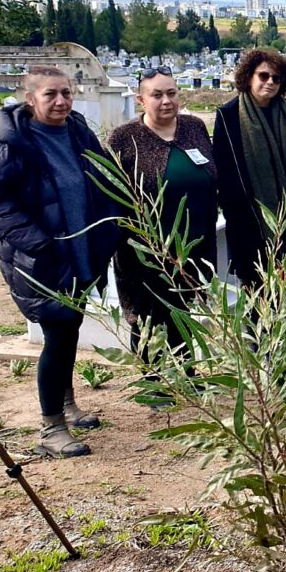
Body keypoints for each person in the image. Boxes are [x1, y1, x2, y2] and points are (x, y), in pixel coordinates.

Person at [0, 67, 118, 458]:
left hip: (80, 251)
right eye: (50, 95)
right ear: (31, 99)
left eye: (66, 94)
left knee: (70, 328)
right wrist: (37, 242)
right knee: (57, 336)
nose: (60, 102)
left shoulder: (76, 130)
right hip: (42, 260)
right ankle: (50, 428)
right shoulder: (14, 143)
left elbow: (100, 176)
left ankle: (68, 403)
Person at [108, 66, 217, 377]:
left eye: (172, 93)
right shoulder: (124, 138)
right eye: (157, 95)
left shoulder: (194, 127)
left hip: (194, 243)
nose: (166, 101)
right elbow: (110, 193)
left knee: (182, 310)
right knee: (147, 314)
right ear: (142, 99)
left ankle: (186, 372)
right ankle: (154, 380)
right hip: (146, 248)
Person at [212, 49, 286, 286]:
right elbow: (225, 173)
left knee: (284, 289)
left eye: (276, 78)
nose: (270, 82)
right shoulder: (228, 116)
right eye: (263, 76)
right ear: (249, 76)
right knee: (255, 292)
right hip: (249, 219)